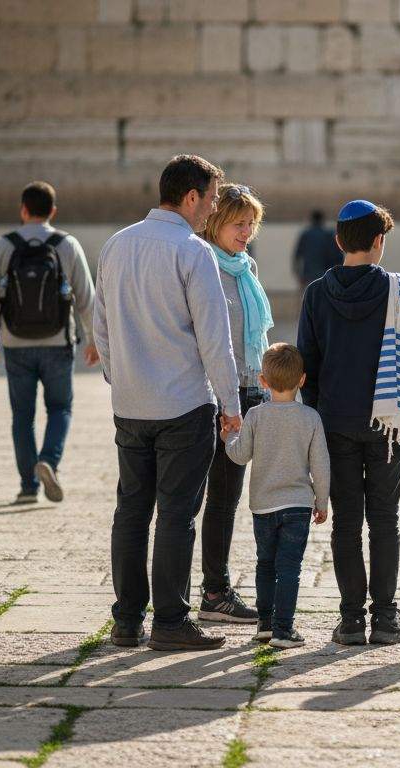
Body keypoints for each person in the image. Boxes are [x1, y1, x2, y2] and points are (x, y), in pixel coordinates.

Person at [93, 155, 242, 652]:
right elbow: (214, 340)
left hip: (130, 403)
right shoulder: (192, 252)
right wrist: (230, 403)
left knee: (131, 512)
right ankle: (171, 622)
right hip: (182, 405)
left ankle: (127, 620)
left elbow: (101, 325)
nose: (214, 209)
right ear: (192, 197)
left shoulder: (117, 244)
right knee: (176, 515)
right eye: (213, 198)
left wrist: (120, 378)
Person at [298, 199, 400, 646]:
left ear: (339, 240)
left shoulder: (316, 293)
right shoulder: (399, 291)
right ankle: (385, 618)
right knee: (384, 520)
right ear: (379, 241)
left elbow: (308, 365)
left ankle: (350, 621)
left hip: (335, 423)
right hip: (388, 425)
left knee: (346, 522)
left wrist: (320, 415)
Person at [0, 181, 99, 504]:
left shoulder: (5, 246)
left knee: (22, 415)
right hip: (58, 342)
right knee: (60, 408)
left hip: (16, 345)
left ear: (23, 210)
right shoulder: (66, 244)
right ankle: (49, 461)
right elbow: (87, 297)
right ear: (53, 212)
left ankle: (28, 487)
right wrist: (94, 340)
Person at [194, 183, 274, 625]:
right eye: (238, 223)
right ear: (215, 222)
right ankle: (211, 591)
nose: (247, 232)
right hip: (209, 395)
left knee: (226, 496)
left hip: (248, 391)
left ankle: (215, 589)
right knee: (199, 497)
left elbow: (253, 336)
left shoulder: (247, 268)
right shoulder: (202, 263)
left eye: (251, 224)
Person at [224, 343, 330, 649]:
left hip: (263, 505)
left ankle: (265, 624)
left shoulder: (255, 416)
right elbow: (320, 466)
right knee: (289, 568)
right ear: (302, 380)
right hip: (297, 505)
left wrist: (229, 437)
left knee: (265, 564)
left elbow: (240, 455)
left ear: (263, 382)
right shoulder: (310, 417)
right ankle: (284, 630)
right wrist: (321, 502)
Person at [292, 209, 342, 287]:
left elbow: (297, 256)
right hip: (326, 276)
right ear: (323, 220)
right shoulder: (329, 234)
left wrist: (299, 275)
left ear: (311, 220)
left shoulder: (306, 235)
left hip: (308, 276)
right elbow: (337, 256)